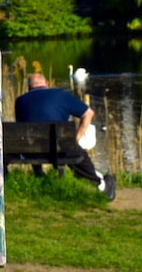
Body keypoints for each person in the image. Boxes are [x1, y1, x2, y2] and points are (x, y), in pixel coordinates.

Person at [14, 72, 116, 200]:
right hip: (60, 150)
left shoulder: (20, 101)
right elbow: (89, 114)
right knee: (76, 152)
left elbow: (22, 127)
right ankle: (101, 185)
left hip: (30, 151)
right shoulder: (60, 95)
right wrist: (76, 138)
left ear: (28, 87)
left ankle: (39, 175)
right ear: (47, 84)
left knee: (40, 141)